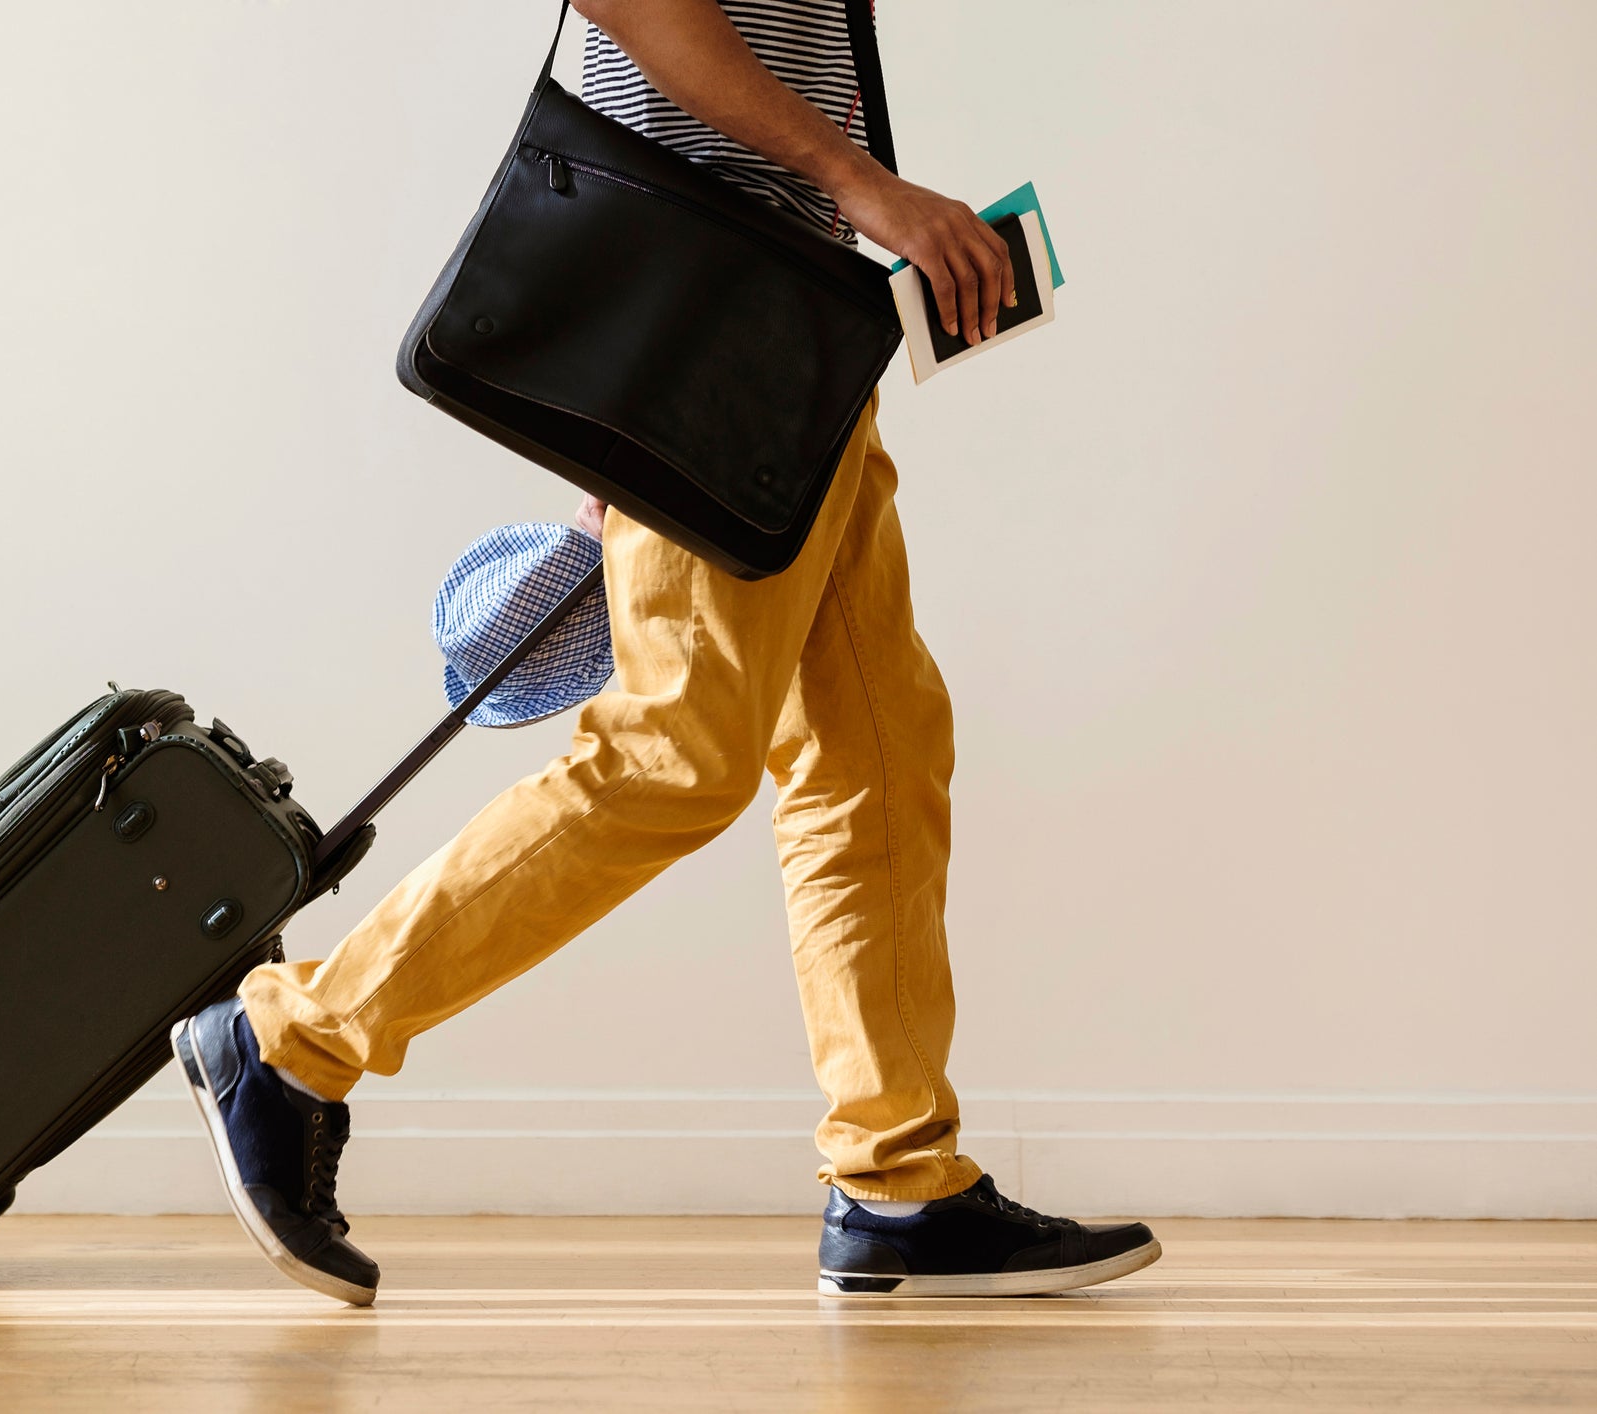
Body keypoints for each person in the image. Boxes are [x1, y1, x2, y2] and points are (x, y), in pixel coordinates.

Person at [173, 0, 1160, 1307]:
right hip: (711, 311)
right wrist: (860, 184)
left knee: (874, 756)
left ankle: (895, 1178)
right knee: (676, 756)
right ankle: (290, 1037)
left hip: (780, 311)